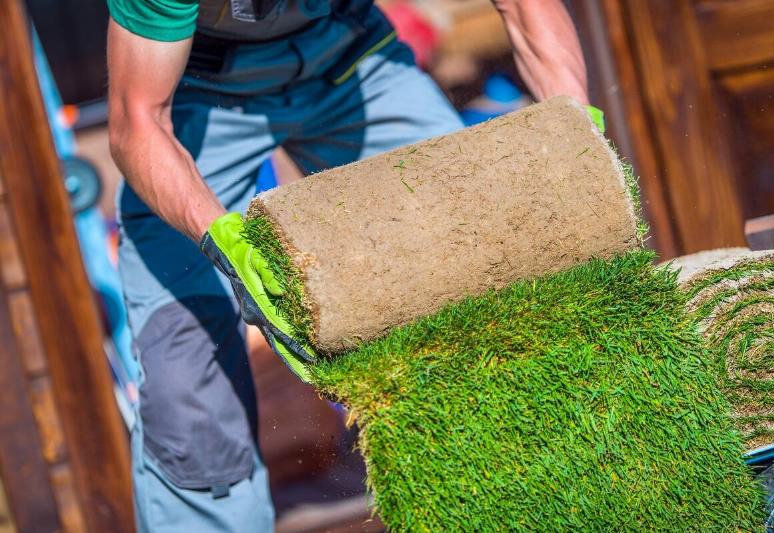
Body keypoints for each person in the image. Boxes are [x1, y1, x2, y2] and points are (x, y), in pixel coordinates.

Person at [106, 0, 594, 530]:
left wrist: (573, 131)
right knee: (186, 379)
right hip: (191, 93)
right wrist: (226, 242)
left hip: (350, 58)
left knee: (477, 270)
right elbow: (137, 121)